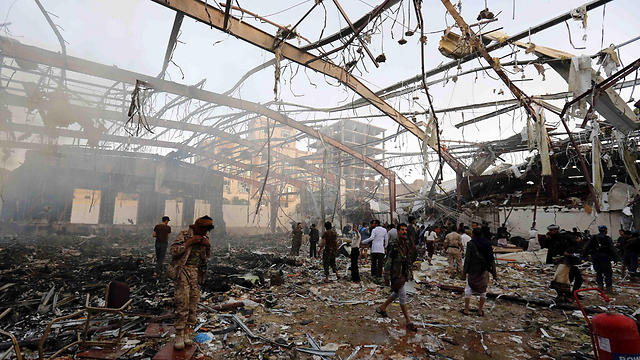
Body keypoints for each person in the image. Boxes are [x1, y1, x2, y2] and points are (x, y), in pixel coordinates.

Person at [169, 216, 213, 350]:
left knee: (193, 303)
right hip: (182, 271)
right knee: (183, 302)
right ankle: (179, 334)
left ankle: (188, 332)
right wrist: (189, 242)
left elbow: (206, 257)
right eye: (204, 230)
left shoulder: (204, 238)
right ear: (199, 227)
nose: (206, 233)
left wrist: (208, 246)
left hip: (195, 273)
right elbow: (173, 251)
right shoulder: (185, 235)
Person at [375, 223, 418, 332]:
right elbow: (388, 261)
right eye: (402, 230)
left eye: (405, 230)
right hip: (396, 274)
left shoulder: (406, 244)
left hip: (403, 273)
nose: (404, 232)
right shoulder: (394, 245)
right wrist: (386, 276)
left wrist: (411, 272)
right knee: (402, 295)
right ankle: (408, 321)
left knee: (397, 293)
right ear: (398, 231)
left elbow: (408, 259)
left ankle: (382, 307)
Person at [462, 229, 497, 316]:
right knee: (483, 291)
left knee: (468, 290)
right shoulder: (487, 243)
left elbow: (467, 259)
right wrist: (494, 273)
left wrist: (464, 272)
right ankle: (480, 311)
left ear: (473, 234)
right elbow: (491, 259)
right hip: (484, 270)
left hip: (473, 270)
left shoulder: (471, 244)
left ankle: (466, 309)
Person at [584, 225, 618, 292]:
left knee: (599, 272)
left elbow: (586, 247)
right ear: (605, 230)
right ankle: (609, 288)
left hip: (595, 257)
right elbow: (612, 249)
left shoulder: (593, 237)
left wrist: (585, 256)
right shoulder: (607, 238)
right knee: (608, 273)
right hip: (605, 257)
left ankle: (600, 287)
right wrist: (615, 258)